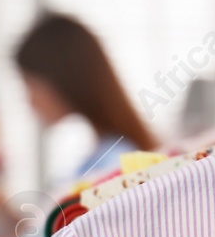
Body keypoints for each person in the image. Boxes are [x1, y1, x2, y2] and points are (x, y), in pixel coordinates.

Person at [13, 12, 158, 185]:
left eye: (30, 86)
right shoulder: (105, 154)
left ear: (62, 80)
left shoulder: (116, 160)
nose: (30, 101)